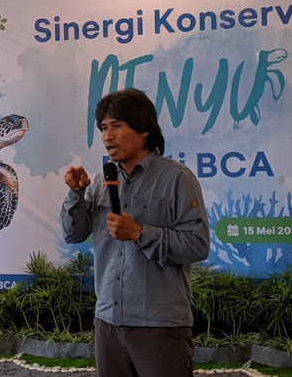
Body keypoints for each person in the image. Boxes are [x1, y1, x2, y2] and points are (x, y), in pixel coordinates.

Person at [61, 88, 210, 377]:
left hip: (159, 324)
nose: (108, 137)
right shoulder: (100, 182)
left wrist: (140, 233)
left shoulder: (177, 178)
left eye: (117, 126)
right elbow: (73, 235)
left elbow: (197, 245)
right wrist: (76, 194)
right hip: (108, 320)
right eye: (104, 128)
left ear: (144, 130)